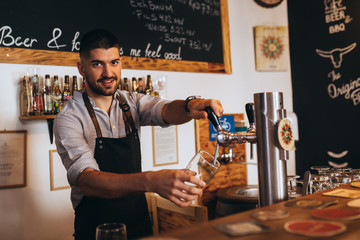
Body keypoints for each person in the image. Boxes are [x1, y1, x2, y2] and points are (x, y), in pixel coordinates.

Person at [54, 29, 223, 240]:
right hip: (96, 230)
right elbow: (88, 181)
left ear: (121, 62)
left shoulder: (130, 102)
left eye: (114, 62)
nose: (108, 73)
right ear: (81, 68)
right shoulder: (69, 118)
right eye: (98, 64)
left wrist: (190, 106)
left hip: (139, 225)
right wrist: (151, 181)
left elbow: (165, 110)